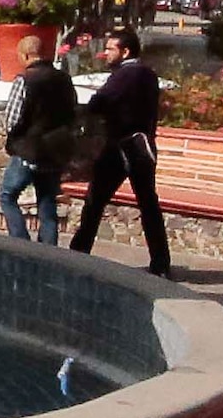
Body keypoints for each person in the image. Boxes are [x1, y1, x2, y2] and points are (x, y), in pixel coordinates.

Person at [64, 29, 172, 274]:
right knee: (148, 204)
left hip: (121, 147)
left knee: (94, 202)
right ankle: (161, 262)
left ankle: (78, 254)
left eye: (111, 49)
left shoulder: (126, 75)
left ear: (125, 51)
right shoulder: (148, 74)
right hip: (144, 147)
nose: (106, 53)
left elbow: (98, 104)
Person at [0, 40, 81, 245]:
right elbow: (72, 111)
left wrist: (15, 140)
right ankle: (48, 250)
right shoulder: (64, 79)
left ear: (26, 55)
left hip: (29, 149)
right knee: (47, 202)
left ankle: (20, 242)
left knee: (7, 195)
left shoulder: (25, 80)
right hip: (56, 149)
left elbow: (12, 120)